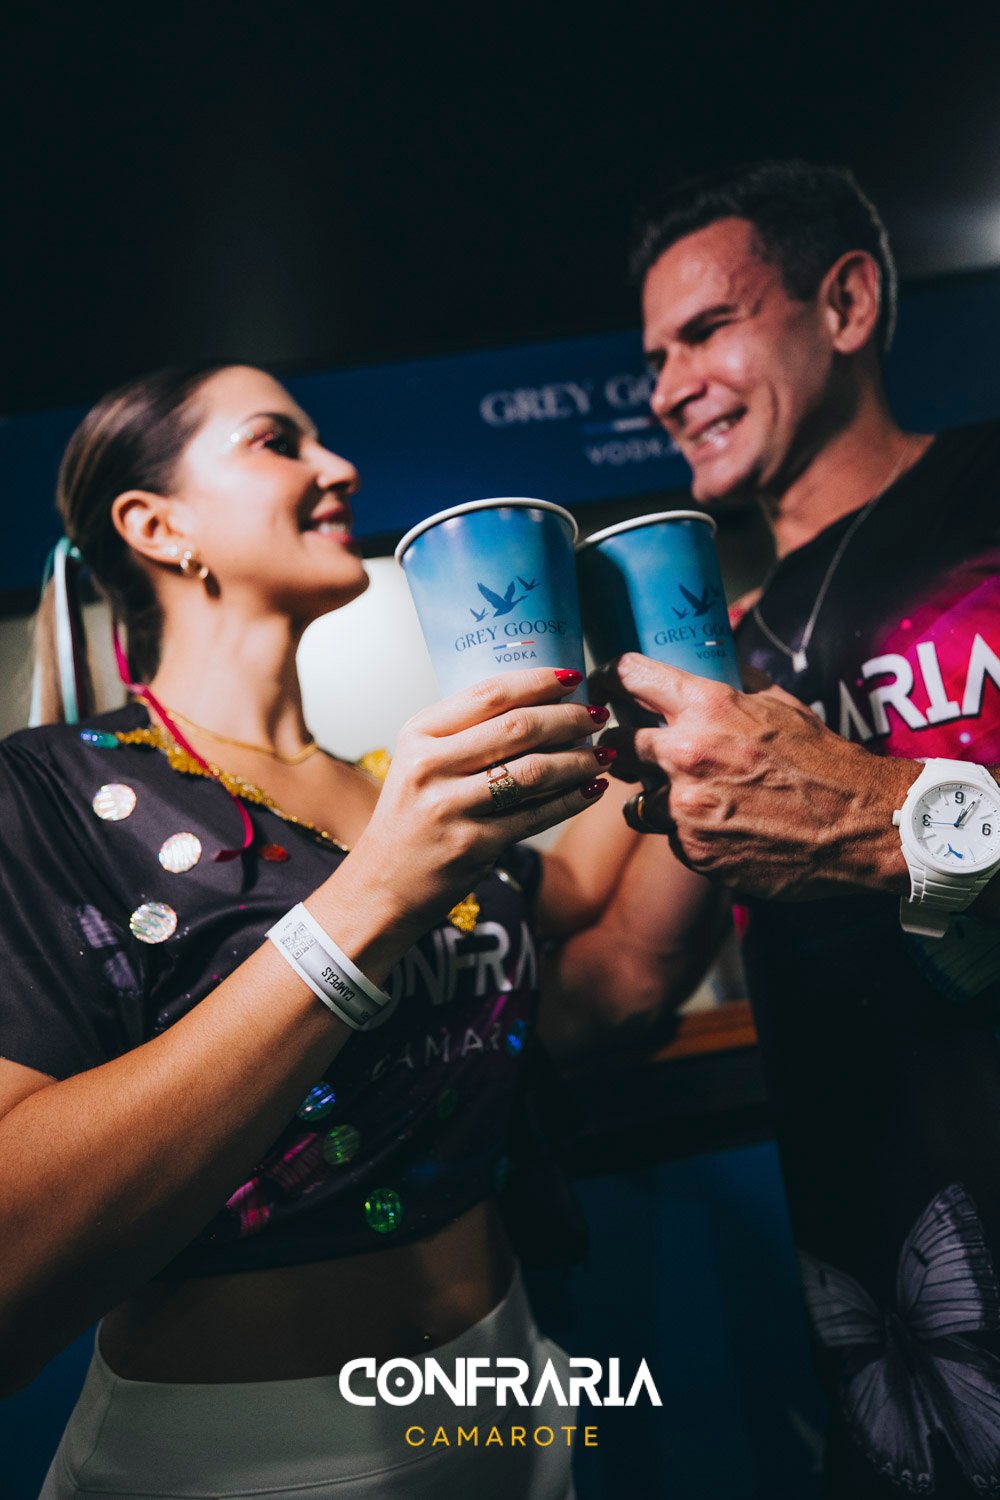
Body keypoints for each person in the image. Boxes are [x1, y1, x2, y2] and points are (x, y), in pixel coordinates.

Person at [0, 363, 716, 1499]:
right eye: (277, 441)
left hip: (509, 1396)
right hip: (256, 1459)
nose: (339, 467)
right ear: (157, 524)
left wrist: (703, 744)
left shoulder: (388, 789)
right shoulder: (48, 793)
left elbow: (610, 959)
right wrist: (374, 896)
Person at [596, 161, 1000, 1496]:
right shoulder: (732, 658)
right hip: (897, 1338)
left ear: (845, 303)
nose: (668, 388)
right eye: (655, 358)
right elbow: (632, 971)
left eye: (707, 330)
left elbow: (882, 830)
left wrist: (887, 821)